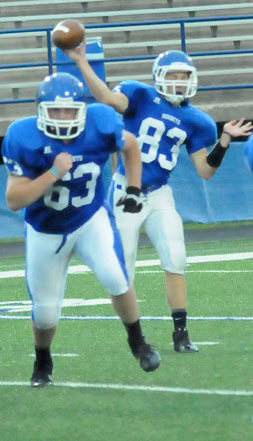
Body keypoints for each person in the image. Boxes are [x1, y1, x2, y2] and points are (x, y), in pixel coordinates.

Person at [66, 45, 253, 353]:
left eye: (184, 76)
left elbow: (205, 171)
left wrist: (224, 140)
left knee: (176, 258)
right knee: (120, 271)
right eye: (173, 75)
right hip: (127, 189)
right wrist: (82, 61)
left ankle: (181, 334)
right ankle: (134, 335)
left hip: (160, 195)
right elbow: (106, 99)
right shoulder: (140, 95)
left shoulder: (198, 120)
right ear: (159, 77)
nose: (179, 82)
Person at [2, 72, 160, 388]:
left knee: (117, 277)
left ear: (82, 109)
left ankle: (138, 341)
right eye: (55, 111)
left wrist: (133, 187)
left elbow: (130, 146)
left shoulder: (101, 121)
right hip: (45, 229)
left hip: (90, 218)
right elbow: (14, 199)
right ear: (41, 110)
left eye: (69, 110)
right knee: (45, 313)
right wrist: (52, 173)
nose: (63, 117)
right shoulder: (22, 136)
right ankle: (43, 359)